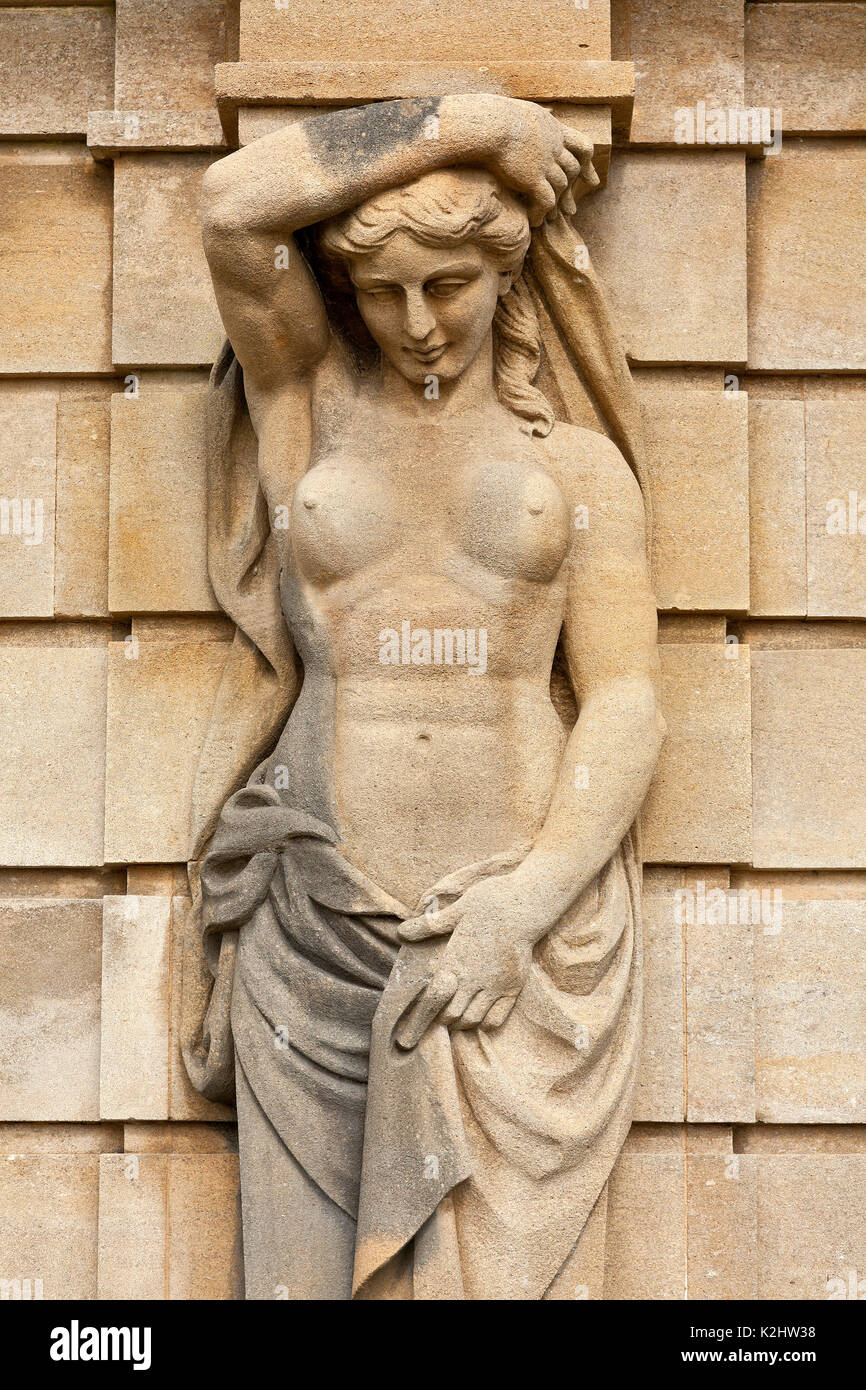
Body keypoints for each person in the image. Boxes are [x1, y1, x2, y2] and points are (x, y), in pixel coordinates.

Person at [183, 94, 665, 1299]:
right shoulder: (306, 412)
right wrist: (475, 122)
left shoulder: (574, 463)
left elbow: (625, 703)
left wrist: (526, 903)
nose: (414, 322)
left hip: (513, 943)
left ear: (506, 273)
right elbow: (232, 207)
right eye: (380, 292)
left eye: (446, 285)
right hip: (314, 929)